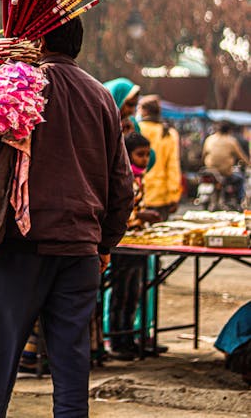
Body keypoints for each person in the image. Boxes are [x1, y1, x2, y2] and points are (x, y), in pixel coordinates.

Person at [0, 17, 134, 418]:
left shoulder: (17, 86)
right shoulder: (102, 97)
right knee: (71, 366)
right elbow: (122, 187)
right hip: (80, 251)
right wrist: (104, 244)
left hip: (21, 249)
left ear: (37, 38)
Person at [108, 131, 160, 360]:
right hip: (123, 243)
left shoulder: (140, 178)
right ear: (128, 155)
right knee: (122, 293)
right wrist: (142, 216)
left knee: (134, 293)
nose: (145, 159)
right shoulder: (124, 176)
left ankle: (131, 338)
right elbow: (120, 210)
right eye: (140, 155)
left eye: (148, 155)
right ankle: (119, 340)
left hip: (137, 242)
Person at [138, 94, 182, 221]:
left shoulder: (136, 129)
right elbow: (173, 166)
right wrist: (173, 196)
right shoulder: (169, 133)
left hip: (137, 194)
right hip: (161, 196)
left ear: (144, 111)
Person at [202, 120, 248, 207]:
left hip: (209, 170)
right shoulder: (231, 141)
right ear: (229, 130)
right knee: (240, 179)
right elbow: (241, 156)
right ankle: (239, 202)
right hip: (225, 172)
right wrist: (248, 163)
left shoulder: (209, 139)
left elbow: (203, 155)